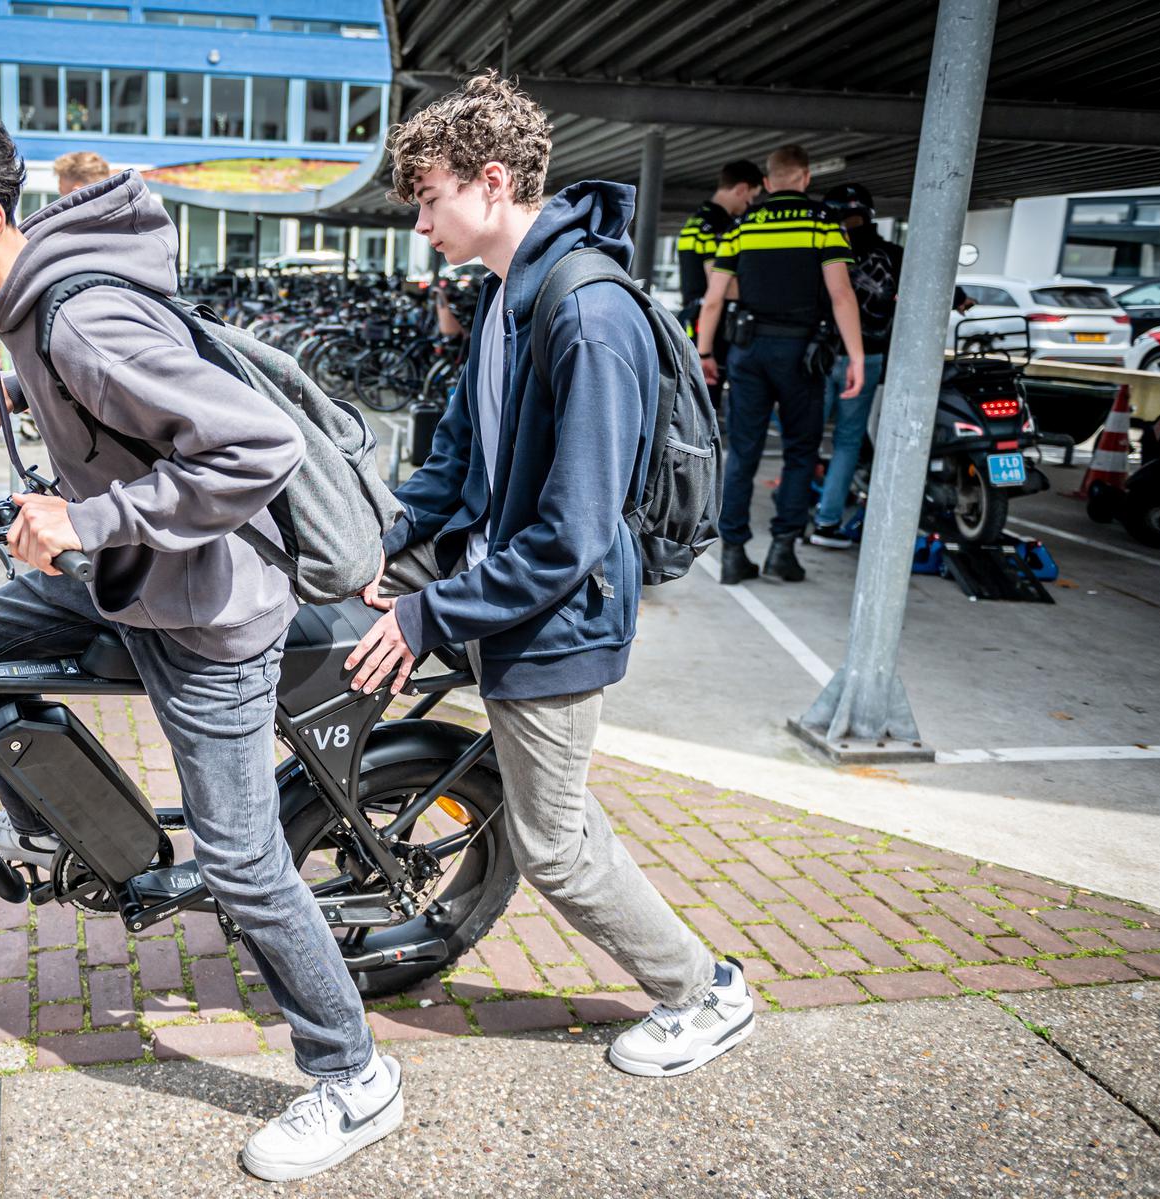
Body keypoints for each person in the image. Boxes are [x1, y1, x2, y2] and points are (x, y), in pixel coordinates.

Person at [0, 96, 399, 1183]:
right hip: (132, 580)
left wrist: (89, 519)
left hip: (208, 612)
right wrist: (6, 392)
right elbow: (112, 408)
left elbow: (256, 445)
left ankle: (355, 1075)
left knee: (241, 857)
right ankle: (54, 824)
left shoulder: (76, 314)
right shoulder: (20, 307)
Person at [350, 71, 755, 1083]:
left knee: (556, 848)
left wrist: (424, 614)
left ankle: (702, 993)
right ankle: (697, 975)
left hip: (557, 621)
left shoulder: (585, 314)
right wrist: (388, 542)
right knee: (564, 812)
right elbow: (458, 458)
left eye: (430, 197)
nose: (421, 222)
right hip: (515, 606)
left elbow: (572, 533)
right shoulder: (503, 297)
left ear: (493, 182)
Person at [695, 143, 865, 585]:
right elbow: (842, 295)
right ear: (806, 179)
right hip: (802, 356)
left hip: (747, 353)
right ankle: (782, 552)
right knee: (800, 452)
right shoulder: (823, 224)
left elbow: (714, 299)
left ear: (768, 183)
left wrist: (705, 353)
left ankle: (732, 553)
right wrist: (857, 357)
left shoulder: (742, 227)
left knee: (742, 454)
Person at [811, 183, 901, 548]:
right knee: (847, 442)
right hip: (869, 355)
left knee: (806, 439)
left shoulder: (821, 243)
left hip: (821, 354)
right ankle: (826, 522)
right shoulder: (894, 253)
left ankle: (790, 517)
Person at [676, 159, 764, 336]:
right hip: (712, 326)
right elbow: (723, 286)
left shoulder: (695, 221)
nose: (750, 204)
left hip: (690, 319)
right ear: (741, 189)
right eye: (751, 197)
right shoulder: (720, 227)